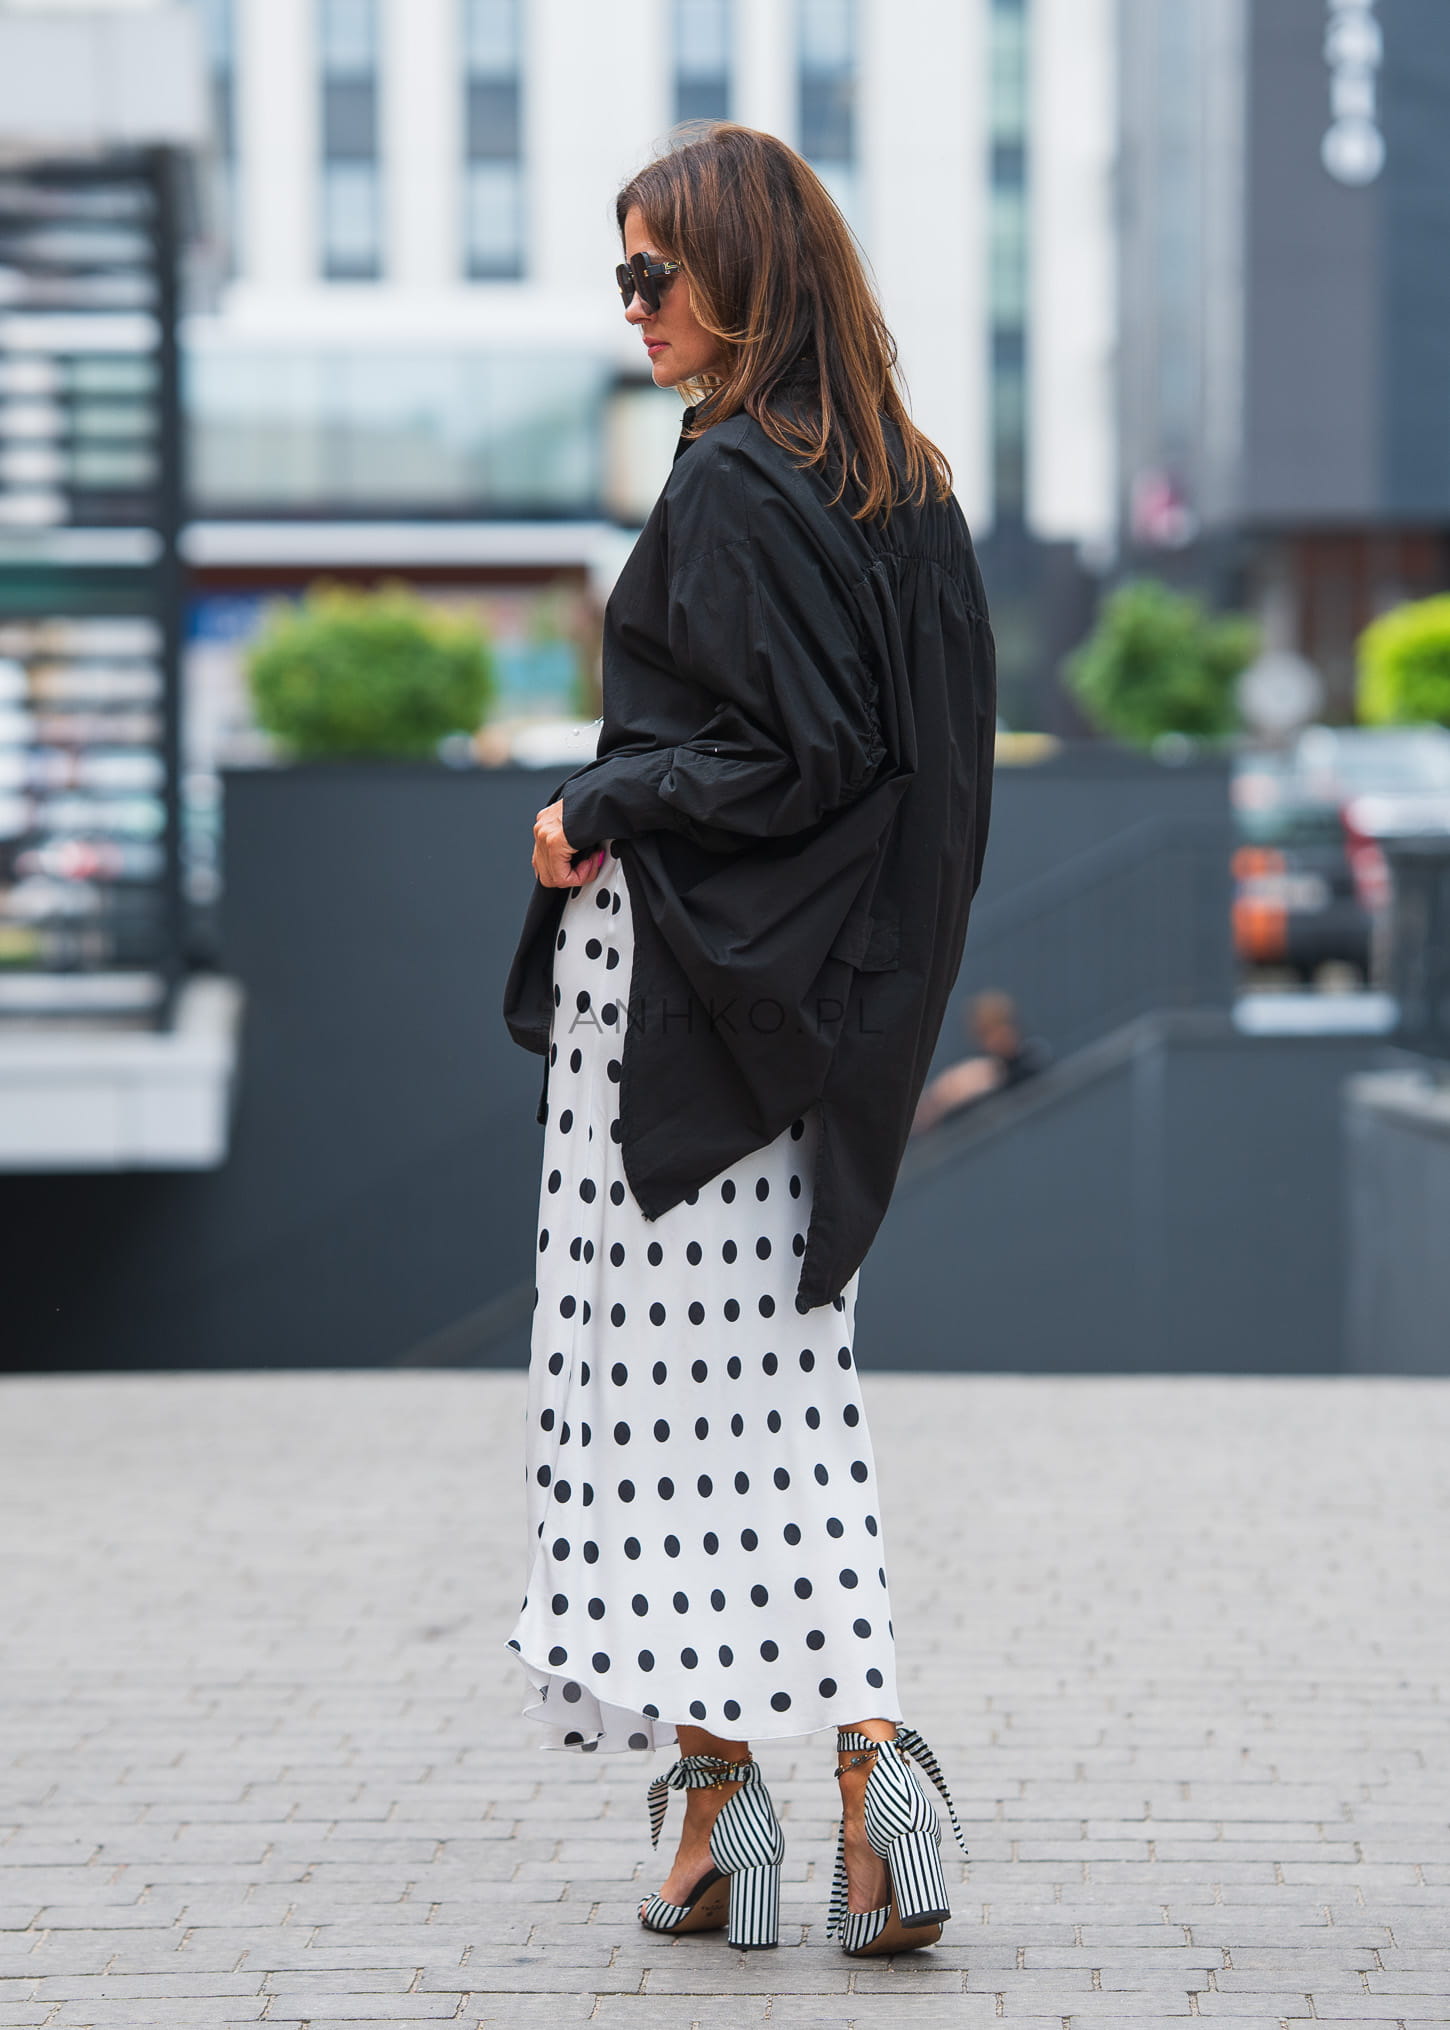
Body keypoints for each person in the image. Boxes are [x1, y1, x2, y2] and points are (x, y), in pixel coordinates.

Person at [503, 124, 994, 1959]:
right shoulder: (897, 486)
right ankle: (789, 1802)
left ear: (743, 272)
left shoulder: (730, 483)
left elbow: (787, 757)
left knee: (662, 1424)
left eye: (655, 272)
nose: (633, 305)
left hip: (683, 1014)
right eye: (622, 274)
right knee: (759, 1408)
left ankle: (803, 1789)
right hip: (807, 1023)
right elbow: (915, 786)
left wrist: (596, 804)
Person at [911, 991, 1052, 1134]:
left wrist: (997, 1077)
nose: (997, 1037)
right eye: (988, 1034)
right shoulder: (979, 1072)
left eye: (1001, 1026)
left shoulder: (1032, 1053)